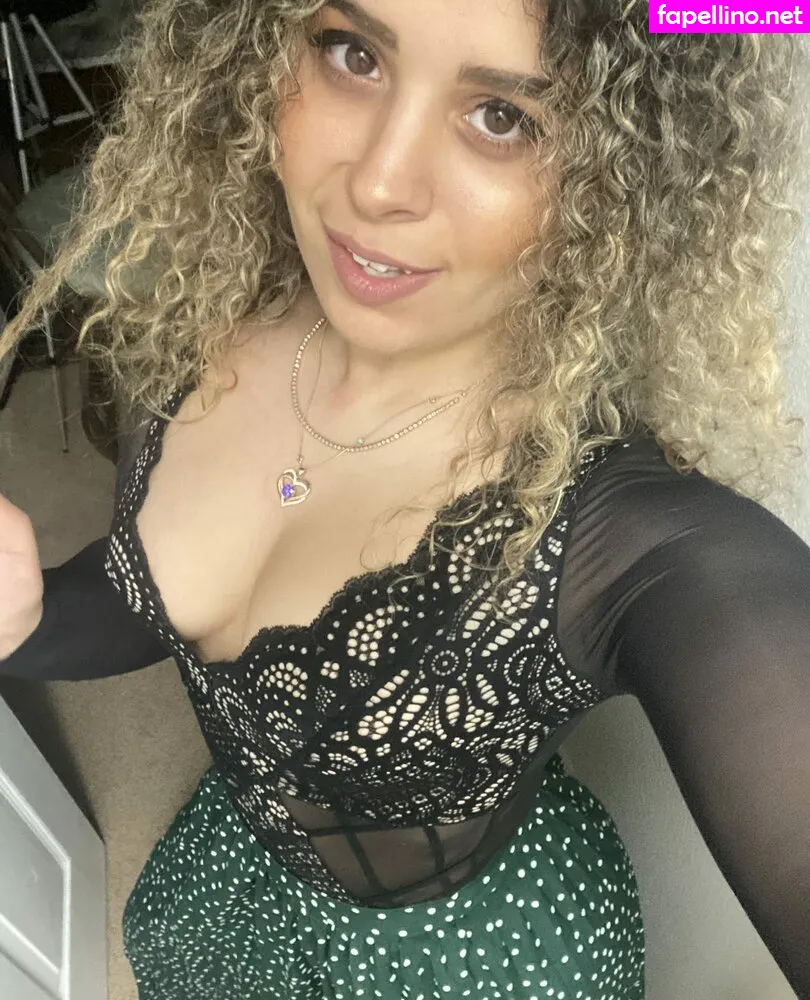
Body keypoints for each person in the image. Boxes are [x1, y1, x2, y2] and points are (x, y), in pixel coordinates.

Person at [1, 0, 809, 997]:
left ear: (625, 179)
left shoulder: (635, 540)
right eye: (353, 54)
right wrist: (26, 616)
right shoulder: (199, 318)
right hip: (240, 870)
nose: (378, 182)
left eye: (503, 117)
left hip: (470, 956)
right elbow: (147, 601)